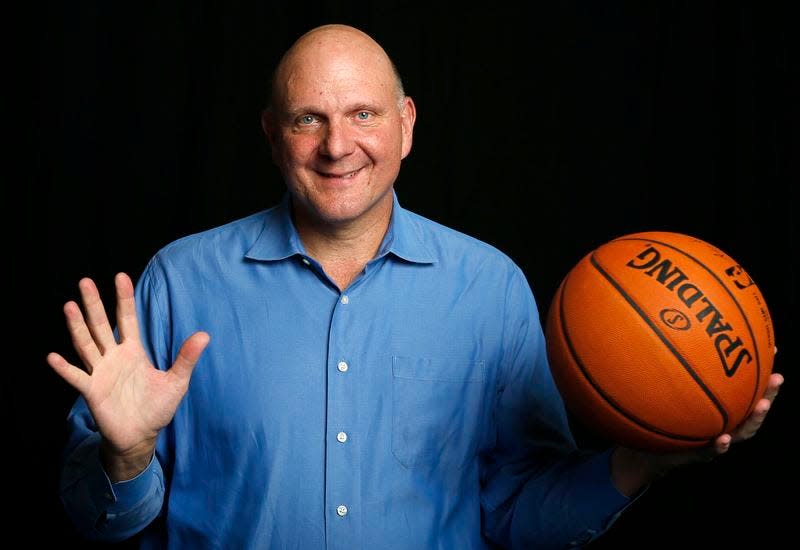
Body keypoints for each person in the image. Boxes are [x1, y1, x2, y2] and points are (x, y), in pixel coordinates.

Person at [49, 24, 783, 549]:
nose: (338, 146)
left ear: (405, 125)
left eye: (363, 114)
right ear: (272, 135)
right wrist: (127, 458)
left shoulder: (490, 289)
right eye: (310, 119)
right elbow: (101, 519)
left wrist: (643, 459)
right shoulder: (180, 280)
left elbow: (517, 517)